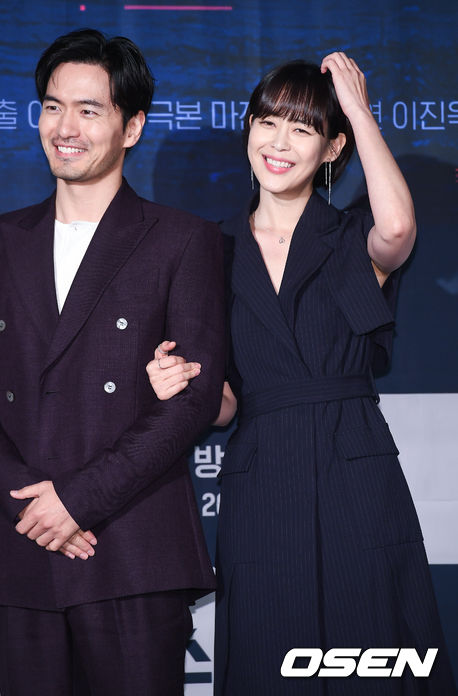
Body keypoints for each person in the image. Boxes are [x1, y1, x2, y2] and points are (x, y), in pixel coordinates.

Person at [146, 53, 456, 694]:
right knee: (269, 655)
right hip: (262, 473)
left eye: (303, 128)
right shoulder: (210, 249)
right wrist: (182, 385)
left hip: (355, 465)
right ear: (248, 130)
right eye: (267, 122)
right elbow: (225, 402)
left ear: (332, 148)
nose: (279, 143)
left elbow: (399, 227)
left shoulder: (352, 238)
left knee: (374, 648)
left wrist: (358, 110)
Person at [0, 28, 225, 696]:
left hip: (132, 546)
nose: (65, 128)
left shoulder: (184, 241)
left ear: (132, 128)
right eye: (52, 106)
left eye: (89, 110)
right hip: (24, 545)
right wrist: (35, 510)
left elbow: (193, 399)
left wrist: (77, 501)